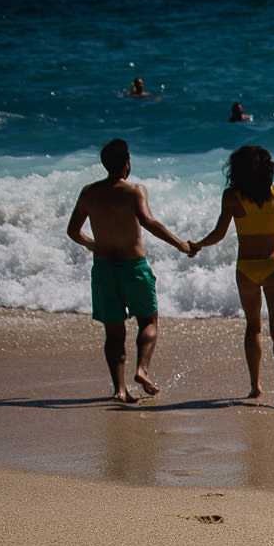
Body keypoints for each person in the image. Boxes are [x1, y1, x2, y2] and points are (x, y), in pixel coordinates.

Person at [190, 144, 274, 408]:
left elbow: (219, 234)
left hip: (247, 269)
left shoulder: (231, 197)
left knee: (253, 328)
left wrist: (198, 244)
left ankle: (255, 386)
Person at [64, 139, 196, 403]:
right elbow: (147, 221)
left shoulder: (89, 192)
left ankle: (119, 390)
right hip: (133, 267)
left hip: (103, 269)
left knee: (114, 333)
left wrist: (93, 244)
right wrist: (180, 245)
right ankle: (142, 369)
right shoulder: (135, 191)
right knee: (148, 321)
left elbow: (72, 231)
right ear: (127, 163)